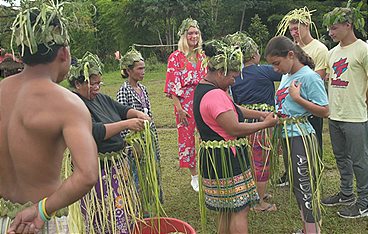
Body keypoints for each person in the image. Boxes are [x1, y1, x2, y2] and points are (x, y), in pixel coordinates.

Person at [1, 3, 98, 234]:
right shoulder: (68, 104)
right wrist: (43, 210)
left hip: (4, 221)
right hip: (41, 222)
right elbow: (87, 174)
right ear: (64, 52)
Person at [194, 39, 278, 234]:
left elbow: (232, 109)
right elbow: (234, 128)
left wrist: (259, 114)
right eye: (233, 76)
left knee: (226, 209)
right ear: (221, 72)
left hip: (213, 159)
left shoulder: (204, 87)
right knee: (240, 209)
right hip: (227, 161)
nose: (234, 81)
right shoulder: (215, 95)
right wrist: (265, 124)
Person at [68, 52, 152, 233]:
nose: (97, 87)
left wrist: (137, 114)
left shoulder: (101, 98)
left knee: (121, 210)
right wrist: (127, 124)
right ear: (78, 84)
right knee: (105, 214)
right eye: (93, 83)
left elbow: (122, 109)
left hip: (116, 167)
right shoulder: (75, 105)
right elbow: (95, 131)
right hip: (97, 171)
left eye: (99, 82)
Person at [265, 36, 329, 234]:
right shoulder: (287, 75)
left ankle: (313, 231)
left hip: (301, 137)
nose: (275, 69)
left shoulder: (309, 77)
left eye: (277, 63)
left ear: (291, 55)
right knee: (297, 187)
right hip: (288, 136)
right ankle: (307, 229)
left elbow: (324, 110)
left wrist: (298, 99)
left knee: (304, 188)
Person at [320, 1, 368, 219]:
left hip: (356, 116)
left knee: (360, 161)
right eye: (329, 28)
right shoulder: (332, 53)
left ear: (348, 25)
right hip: (335, 115)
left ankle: (365, 202)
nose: (330, 32)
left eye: (334, 27)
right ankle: (346, 193)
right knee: (341, 157)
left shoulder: (363, 50)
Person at [226, 32, 282, 212]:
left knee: (249, 160)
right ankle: (259, 203)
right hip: (262, 123)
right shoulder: (264, 71)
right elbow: (284, 72)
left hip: (243, 122)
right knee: (262, 161)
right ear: (253, 55)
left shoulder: (235, 75)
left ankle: (256, 192)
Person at [276, 7, 329, 187]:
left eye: (297, 28)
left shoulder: (319, 48)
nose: (294, 32)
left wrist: (298, 97)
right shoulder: (292, 49)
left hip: (308, 101)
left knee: (311, 141)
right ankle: (292, 173)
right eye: (291, 29)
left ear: (307, 26)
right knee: (291, 144)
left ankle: (313, 172)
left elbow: (318, 77)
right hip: (292, 104)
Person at [116, 47, 163, 207]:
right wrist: (129, 144)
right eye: (140, 68)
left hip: (149, 139)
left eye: (144, 68)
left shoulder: (143, 89)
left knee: (152, 170)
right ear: (129, 71)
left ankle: (152, 201)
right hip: (136, 143)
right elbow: (122, 119)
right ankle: (138, 205)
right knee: (138, 173)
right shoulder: (124, 91)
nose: (143, 71)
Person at [164, 17, 207, 192]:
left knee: (206, 134)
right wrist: (179, 108)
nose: (194, 36)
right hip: (185, 103)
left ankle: (207, 170)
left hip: (203, 100)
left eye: (196, 32)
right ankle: (194, 176)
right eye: (190, 33)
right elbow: (173, 86)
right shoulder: (176, 57)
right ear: (184, 35)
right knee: (187, 138)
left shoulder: (202, 56)